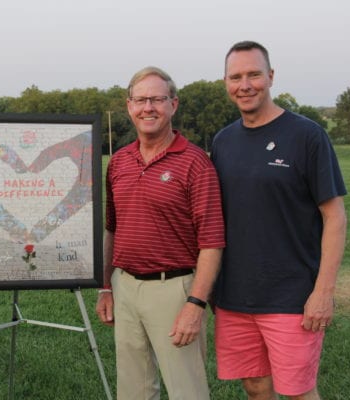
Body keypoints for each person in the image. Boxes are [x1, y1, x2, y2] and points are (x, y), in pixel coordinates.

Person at [211, 41, 347, 400]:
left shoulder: (307, 136)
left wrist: (323, 292)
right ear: (225, 82)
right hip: (234, 295)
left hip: (291, 295)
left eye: (254, 74)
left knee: (298, 392)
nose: (245, 84)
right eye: (236, 76)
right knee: (255, 387)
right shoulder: (222, 142)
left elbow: (335, 217)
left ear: (271, 76)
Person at [95, 66, 225, 400]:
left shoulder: (195, 162)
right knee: (133, 390)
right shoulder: (119, 161)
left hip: (175, 289)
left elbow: (211, 242)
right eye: (140, 100)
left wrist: (195, 304)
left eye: (157, 99)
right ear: (129, 106)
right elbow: (113, 228)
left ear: (173, 105)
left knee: (186, 390)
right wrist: (106, 286)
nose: (148, 107)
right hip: (125, 286)